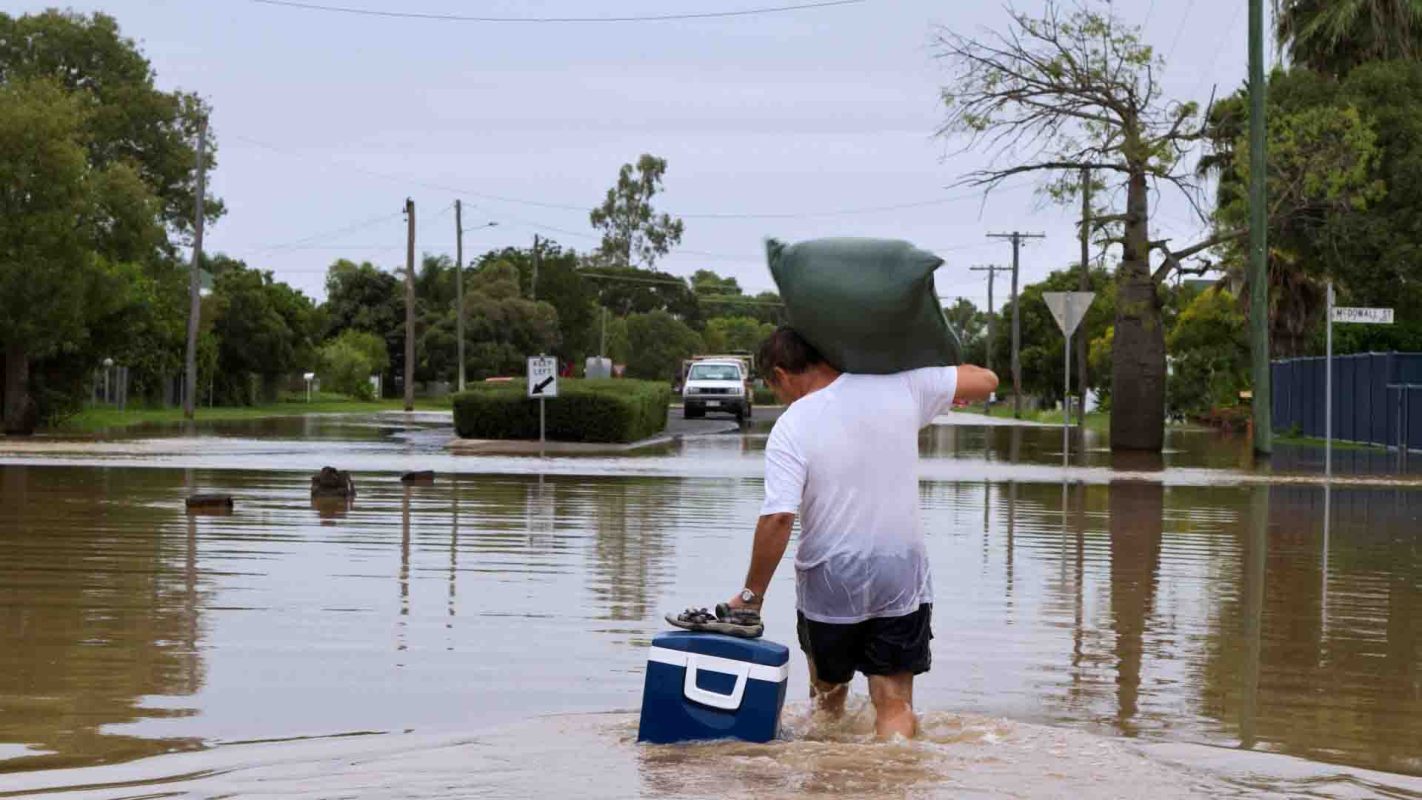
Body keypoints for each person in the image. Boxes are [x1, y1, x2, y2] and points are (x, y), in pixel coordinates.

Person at [724, 327, 998, 739]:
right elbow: (986, 381)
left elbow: (778, 518)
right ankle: (897, 771)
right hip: (899, 573)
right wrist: (915, 369)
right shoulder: (902, 386)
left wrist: (750, 597)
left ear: (782, 374)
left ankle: (831, 780)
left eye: (774, 388)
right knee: (894, 702)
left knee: (826, 700)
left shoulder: (792, 424)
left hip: (829, 577)